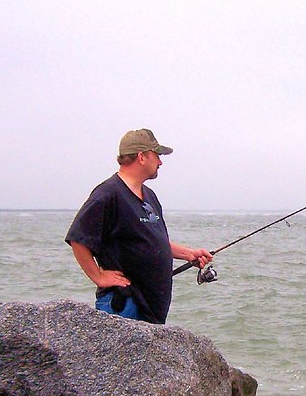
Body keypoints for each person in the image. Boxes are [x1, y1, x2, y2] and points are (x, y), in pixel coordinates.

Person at [65, 128, 213, 324]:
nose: (160, 162)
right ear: (142, 157)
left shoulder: (149, 195)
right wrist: (98, 276)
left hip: (150, 304)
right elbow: (78, 238)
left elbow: (150, 240)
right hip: (125, 304)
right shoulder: (108, 194)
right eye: (157, 155)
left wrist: (188, 254)